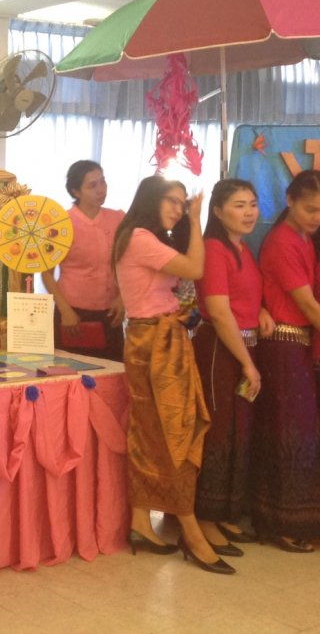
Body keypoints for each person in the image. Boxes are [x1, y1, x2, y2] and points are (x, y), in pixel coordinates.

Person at [113, 175, 233, 574]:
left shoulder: (138, 237)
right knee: (175, 434)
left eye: (183, 203)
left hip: (153, 339)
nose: (179, 209)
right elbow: (195, 268)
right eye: (172, 200)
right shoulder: (140, 238)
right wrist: (197, 220)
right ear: (151, 199)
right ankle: (190, 531)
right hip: (156, 343)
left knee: (151, 433)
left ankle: (140, 521)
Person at [192, 179, 273, 556]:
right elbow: (220, 312)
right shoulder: (213, 248)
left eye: (252, 204)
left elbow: (244, 297)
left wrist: (262, 310)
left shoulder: (242, 248)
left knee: (239, 430)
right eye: (239, 205)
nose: (249, 212)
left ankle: (225, 511)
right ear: (218, 211)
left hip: (244, 346)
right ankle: (203, 517)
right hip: (220, 350)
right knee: (218, 431)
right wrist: (247, 363)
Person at [253, 168, 320, 552]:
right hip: (283, 345)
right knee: (288, 434)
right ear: (290, 200)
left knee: (298, 433)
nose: (316, 217)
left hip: (298, 346)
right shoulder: (282, 241)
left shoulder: (303, 239)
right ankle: (279, 523)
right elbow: (307, 306)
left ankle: (290, 519)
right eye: (311, 209)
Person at [40, 160, 125, 361]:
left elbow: (129, 264)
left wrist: (123, 299)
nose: (101, 189)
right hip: (73, 313)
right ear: (76, 192)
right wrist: (65, 311)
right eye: (92, 185)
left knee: (112, 372)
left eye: (103, 182)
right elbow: (47, 274)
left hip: (111, 312)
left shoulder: (119, 219)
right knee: (71, 371)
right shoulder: (61, 223)